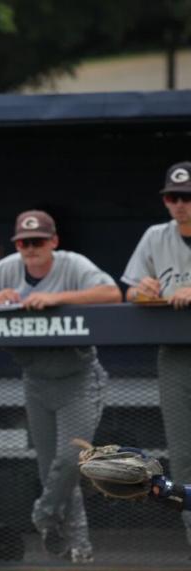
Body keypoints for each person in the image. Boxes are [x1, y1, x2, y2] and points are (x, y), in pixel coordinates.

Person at [0, 210, 121, 563]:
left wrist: (60, 298)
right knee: (52, 469)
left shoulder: (71, 264)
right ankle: (77, 546)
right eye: (24, 242)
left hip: (78, 376)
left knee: (71, 460)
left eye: (38, 242)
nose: (31, 248)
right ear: (17, 244)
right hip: (36, 379)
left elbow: (111, 292)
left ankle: (44, 514)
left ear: (53, 242)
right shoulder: (9, 268)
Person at [120, 161, 191, 547]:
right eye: (173, 197)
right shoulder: (155, 236)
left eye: (187, 197)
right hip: (176, 355)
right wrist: (141, 292)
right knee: (183, 456)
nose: (180, 204)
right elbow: (130, 290)